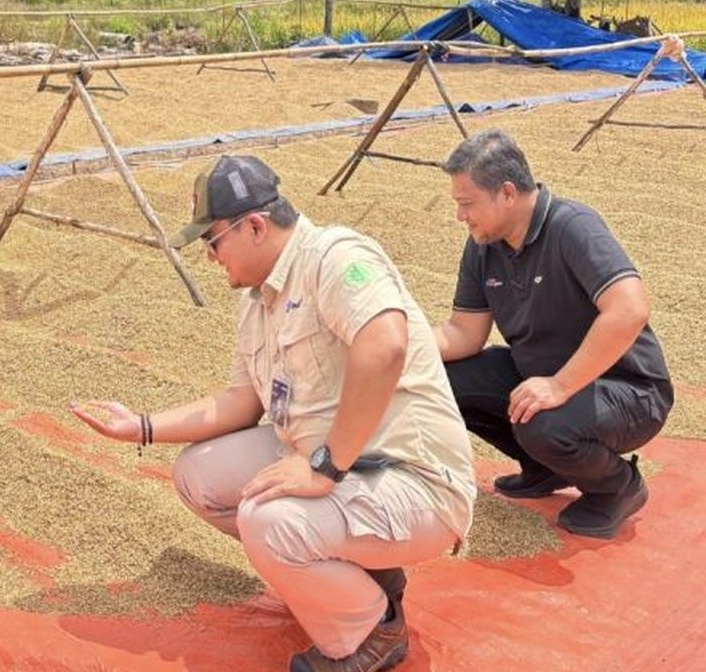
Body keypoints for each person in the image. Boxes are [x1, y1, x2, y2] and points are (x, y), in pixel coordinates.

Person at [71, 155, 476, 672]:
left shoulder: (336, 257)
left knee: (267, 519)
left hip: (411, 478)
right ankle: (357, 576)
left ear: (255, 226)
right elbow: (242, 401)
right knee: (200, 475)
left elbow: (385, 346)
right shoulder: (258, 299)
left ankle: (371, 634)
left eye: (212, 241)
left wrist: (325, 466)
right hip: (335, 460)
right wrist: (142, 427)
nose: (211, 257)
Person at [433, 129, 673, 540]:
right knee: (441, 382)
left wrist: (560, 386)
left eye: (467, 204)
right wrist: (401, 342)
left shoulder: (571, 226)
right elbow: (463, 333)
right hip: (544, 376)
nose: (461, 216)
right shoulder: (482, 246)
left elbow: (630, 308)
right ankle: (547, 467)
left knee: (543, 421)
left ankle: (617, 487)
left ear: (507, 193)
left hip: (627, 389)